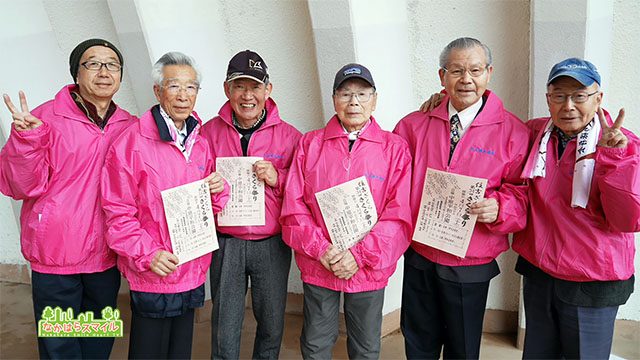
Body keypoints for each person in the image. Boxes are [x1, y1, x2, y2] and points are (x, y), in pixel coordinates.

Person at [393, 37, 530, 359]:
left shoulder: (513, 132)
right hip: (420, 253)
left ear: (489, 73)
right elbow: (393, 181)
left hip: (471, 259)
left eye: (475, 70)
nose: (466, 79)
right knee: (418, 339)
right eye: (456, 71)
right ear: (442, 77)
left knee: (463, 345)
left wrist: (501, 207)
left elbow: (522, 191)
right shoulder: (413, 125)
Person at [0, 38, 134, 359]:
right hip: (56, 255)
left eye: (112, 65)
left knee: (97, 335)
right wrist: (26, 140)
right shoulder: (43, 118)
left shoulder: (129, 125)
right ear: (76, 72)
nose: (104, 72)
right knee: (60, 342)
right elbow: (19, 186)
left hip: (105, 253)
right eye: (93, 63)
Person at [100, 52, 229, 359]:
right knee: (149, 351)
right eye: (174, 87)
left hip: (191, 269)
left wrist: (218, 190)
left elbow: (210, 207)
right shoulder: (131, 142)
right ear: (158, 91)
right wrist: (148, 254)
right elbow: (117, 212)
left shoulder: (201, 142)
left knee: (180, 350)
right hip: (153, 271)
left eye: (191, 88)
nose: (183, 96)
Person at [281, 63, 412, 359]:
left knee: (366, 346)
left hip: (368, 265)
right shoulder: (310, 144)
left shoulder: (394, 149)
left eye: (362, 94)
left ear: (375, 100)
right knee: (315, 342)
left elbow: (399, 213)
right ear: (334, 99)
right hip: (319, 262)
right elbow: (293, 207)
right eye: (346, 93)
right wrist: (322, 250)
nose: (354, 102)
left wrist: (359, 255)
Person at [512, 58, 639, 359]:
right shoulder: (534, 134)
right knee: (538, 354)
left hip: (592, 279)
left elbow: (628, 219)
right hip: (541, 272)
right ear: (548, 99)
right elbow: (490, 127)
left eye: (579, 96)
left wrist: (614, 158)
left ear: (598, 99)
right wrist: (444, 100)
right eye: (559, 95)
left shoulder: (625, 145)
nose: (568, 105)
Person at [200, 50, 302, 359]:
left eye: (255, 87)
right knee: (224, 325)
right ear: (227, 89)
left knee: (271, 324)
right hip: (225, 243)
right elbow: (191, 183)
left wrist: (278, 178)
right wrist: (207, 187)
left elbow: (303, 190)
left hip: (271, 244)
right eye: (239, 86)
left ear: (268, 90)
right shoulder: (206, 133)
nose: (248, 95)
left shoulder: (291, 137)